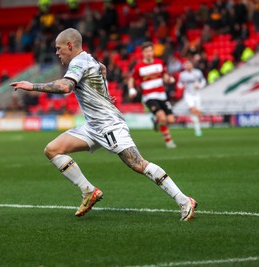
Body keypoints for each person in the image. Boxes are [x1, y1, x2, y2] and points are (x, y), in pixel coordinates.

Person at [10, 28, 197, 221]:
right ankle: (88, 191)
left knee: (138, 164)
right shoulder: (89, 59)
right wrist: (104, 95)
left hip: (109, 125)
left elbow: (66, 87)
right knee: (52, 150)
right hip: (92, 126)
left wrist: (32, 86)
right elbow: (103, 69)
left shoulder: (79, 62)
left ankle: (184, 200)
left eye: (59, 49)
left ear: (70, 45)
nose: (57, 53)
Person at [128, 41, 177, 149]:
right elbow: (131, 79)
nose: (149, 53)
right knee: (163, 118)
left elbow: (164, 76)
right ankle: (169, 141)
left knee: (171, 120)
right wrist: (131, 89)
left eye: (150, 51)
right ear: (143, 53)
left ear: (153, 51)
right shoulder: (139, 66)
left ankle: (155, 120)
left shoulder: (159, 63)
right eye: (146, 51)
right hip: (149, 96)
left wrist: (169, 79)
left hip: (162, 95)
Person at [177, 60, 206, 137]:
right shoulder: (182, 75)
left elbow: (203, 81)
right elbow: (179, 84)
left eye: (189, 64)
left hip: (197, 94)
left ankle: (198, 128)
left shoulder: (198, 72)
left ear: (192, 65)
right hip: (188, 94)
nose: (188, 66)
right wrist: (182, 86)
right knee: (193, 110)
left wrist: (199, 86)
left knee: (197, 113)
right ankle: (198, 130)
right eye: (186, 65)